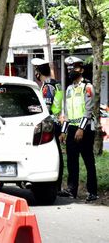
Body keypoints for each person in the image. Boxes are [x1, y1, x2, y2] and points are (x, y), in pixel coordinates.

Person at [59, 56, 98, 202]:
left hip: (86, 128)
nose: (71, 71)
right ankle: (71, 190)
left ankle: (92, 192)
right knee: (71, 161)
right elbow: (68, 113)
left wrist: (81, 129)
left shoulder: (87, 87)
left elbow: (88, 110)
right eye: (69, 68)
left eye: (74, 68)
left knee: (88, 160)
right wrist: (63, 131)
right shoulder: (69, 89)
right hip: (72, 127)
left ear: (81, 69)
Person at [31, 58, 64, 192]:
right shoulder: (56, 84)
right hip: (56, 121)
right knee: (58, 154)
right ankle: (57, 186)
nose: (35, 74)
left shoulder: (48, 85)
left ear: (38, 72)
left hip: (50, 123)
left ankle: (54, 186)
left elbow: (46, 107)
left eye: (36, 71)